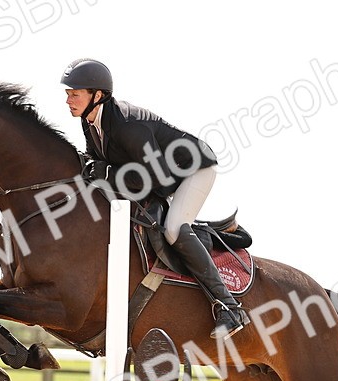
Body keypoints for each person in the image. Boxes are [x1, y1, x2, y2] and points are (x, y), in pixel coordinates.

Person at [61, 58, 249, 340]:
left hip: (192, 170)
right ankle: (211, 234)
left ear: (97, 96)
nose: (68, 100)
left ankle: (229, 308)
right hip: (157, 174)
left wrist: (107, 171)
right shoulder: (90, 121)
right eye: (67, 93)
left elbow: (157, 182)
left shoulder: (127, 126)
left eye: (75, 94)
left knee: (173, 229)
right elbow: (98, 166)